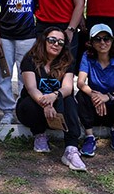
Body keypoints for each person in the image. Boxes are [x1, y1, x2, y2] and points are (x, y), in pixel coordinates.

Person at [16, 27, 86, 172]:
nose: (56, 44)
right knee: (29, 103)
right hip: (33, 108)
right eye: (52, 40)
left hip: (57, 108)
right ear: (44, 41)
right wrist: (46, 104)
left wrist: (54, 96)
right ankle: (39, 134)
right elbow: (31, 88)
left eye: (60, 42)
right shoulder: (30, 59)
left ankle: (71, 148)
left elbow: (67, 88)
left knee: (69, 100)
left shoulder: (67, 61)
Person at [75, 24, 114, 156]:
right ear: (91, 42)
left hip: (113, 105)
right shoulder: (87, 56)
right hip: (95, 106)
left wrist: (107, 97)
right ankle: (89, 136)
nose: (102, 42)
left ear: (112, 41)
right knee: (81, 96)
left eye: (106, 38)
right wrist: (94, 95)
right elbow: (80, 82)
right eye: (97, 39)